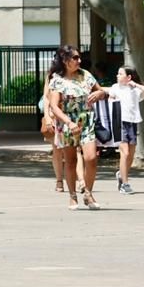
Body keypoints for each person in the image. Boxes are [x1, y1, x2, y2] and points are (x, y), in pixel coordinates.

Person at [45, 45, 108, 210]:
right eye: (75, 58)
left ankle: (88, 192)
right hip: (68, 122)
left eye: (79, 57)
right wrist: (68, 122)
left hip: (86, 120)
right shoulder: (57, 80)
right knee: (71, 160)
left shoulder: (85, 75)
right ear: (65, 61)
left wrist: (101, 94)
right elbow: (54, 106)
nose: (79, 61)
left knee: (91, 158)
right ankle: (73, 196)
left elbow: (100, 91)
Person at [107, 66, 144, 194]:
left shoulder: (135, 90)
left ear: (128, 77)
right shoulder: (115, 88)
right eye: (118, 73)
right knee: (125, 152)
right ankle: (125, 183)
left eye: (120, 73)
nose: (117, 76)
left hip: (132, 122)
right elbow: (109, 97)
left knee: (131, 154)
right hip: (119, 122)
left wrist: (136, 85)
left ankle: (121, 174)